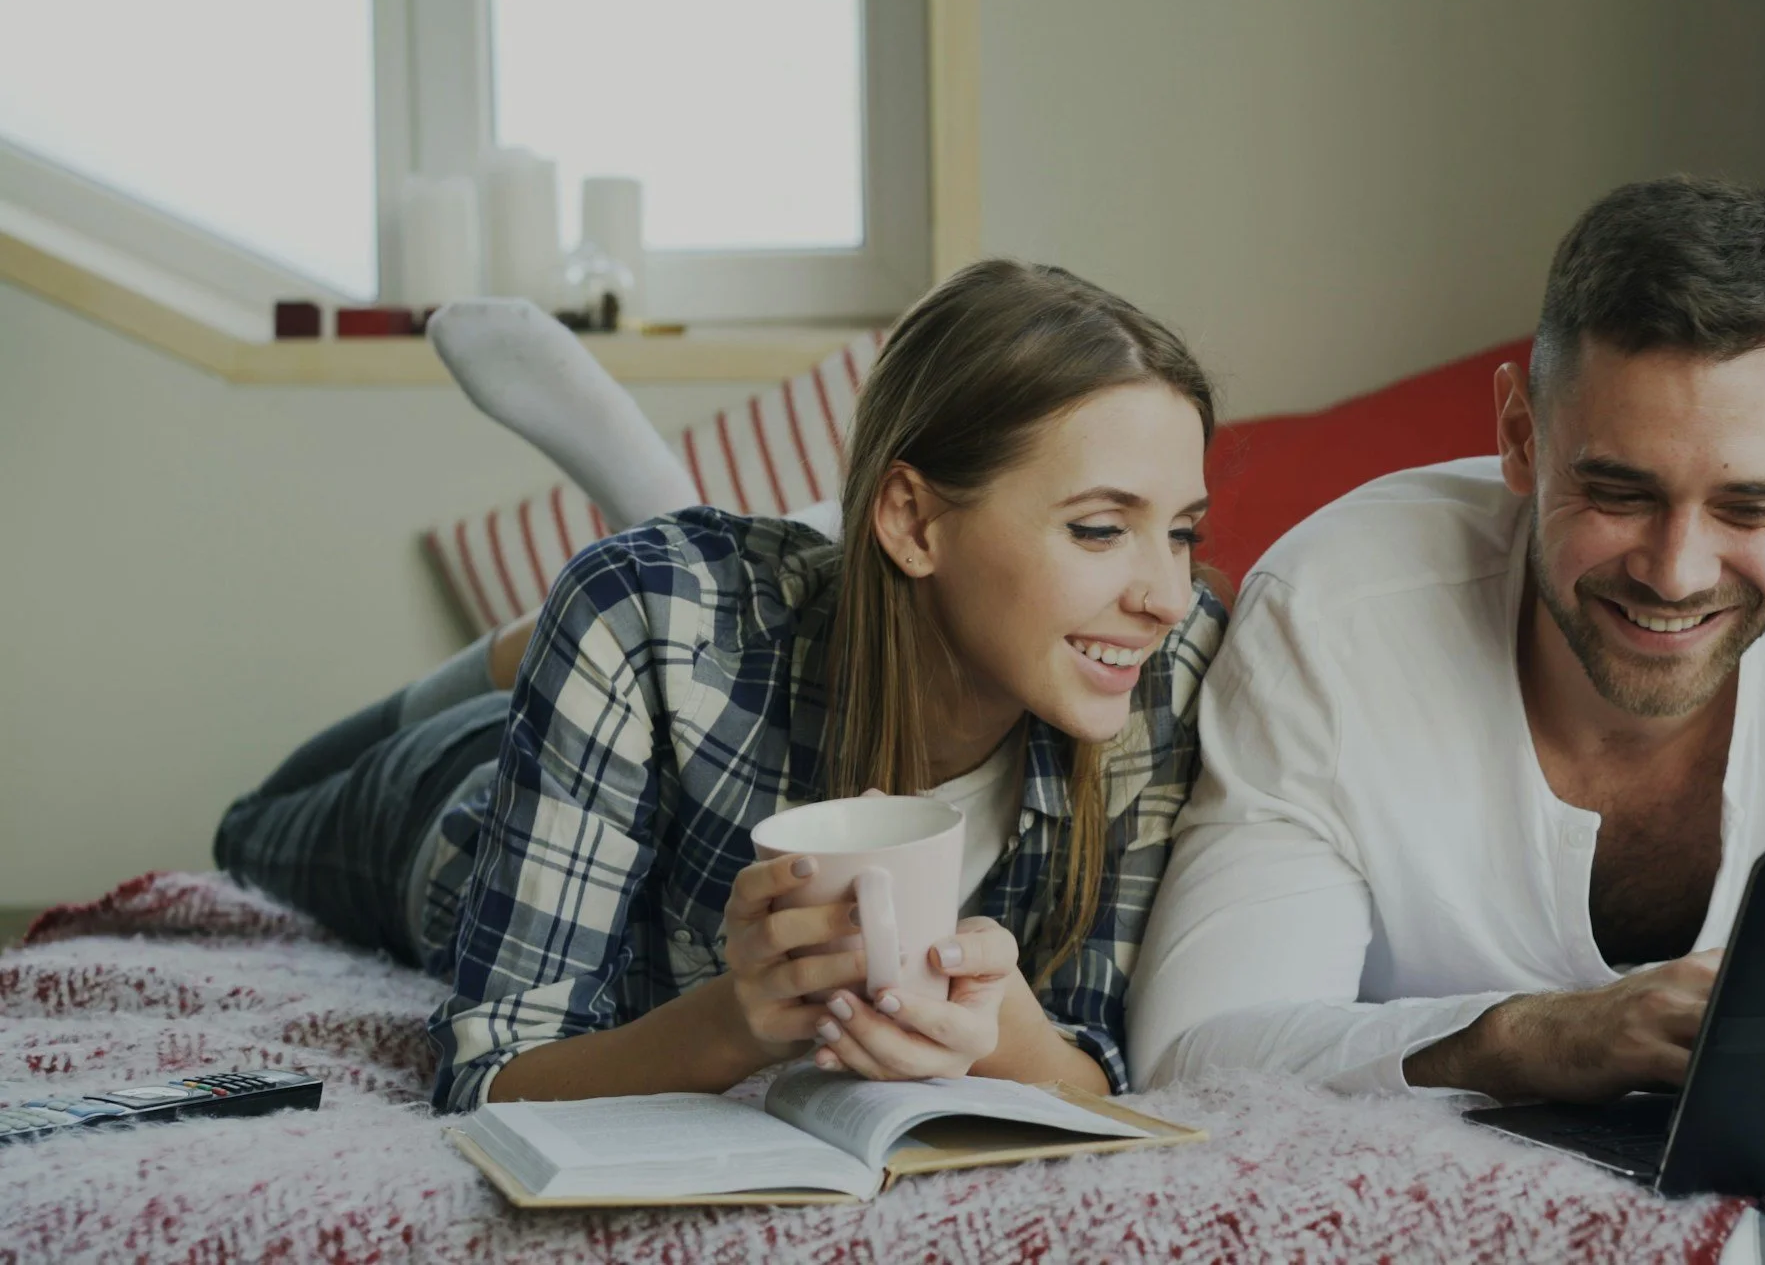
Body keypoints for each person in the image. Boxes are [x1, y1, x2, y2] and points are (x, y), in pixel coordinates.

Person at [1126, 176, 1765, 1100]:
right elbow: (1200, 1056)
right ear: (1520, 434)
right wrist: (1525, 1041)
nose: (1678, 572)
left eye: (1750, 505)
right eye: (1621, 493)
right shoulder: (1333, 610)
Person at [215, 262, 1226, 1113]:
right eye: (1100, 527)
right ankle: (521, 655)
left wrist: (1010, 1036)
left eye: (1182, 530)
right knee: (248, 826)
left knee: (666, 617)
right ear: (914, 522)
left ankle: (621, 596)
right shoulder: (639, 611)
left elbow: (1102, 1056)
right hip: (460, 814)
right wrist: (730, 1022)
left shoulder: (1163, 673)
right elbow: (491, 1070)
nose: (1167, 594)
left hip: (697, 678)